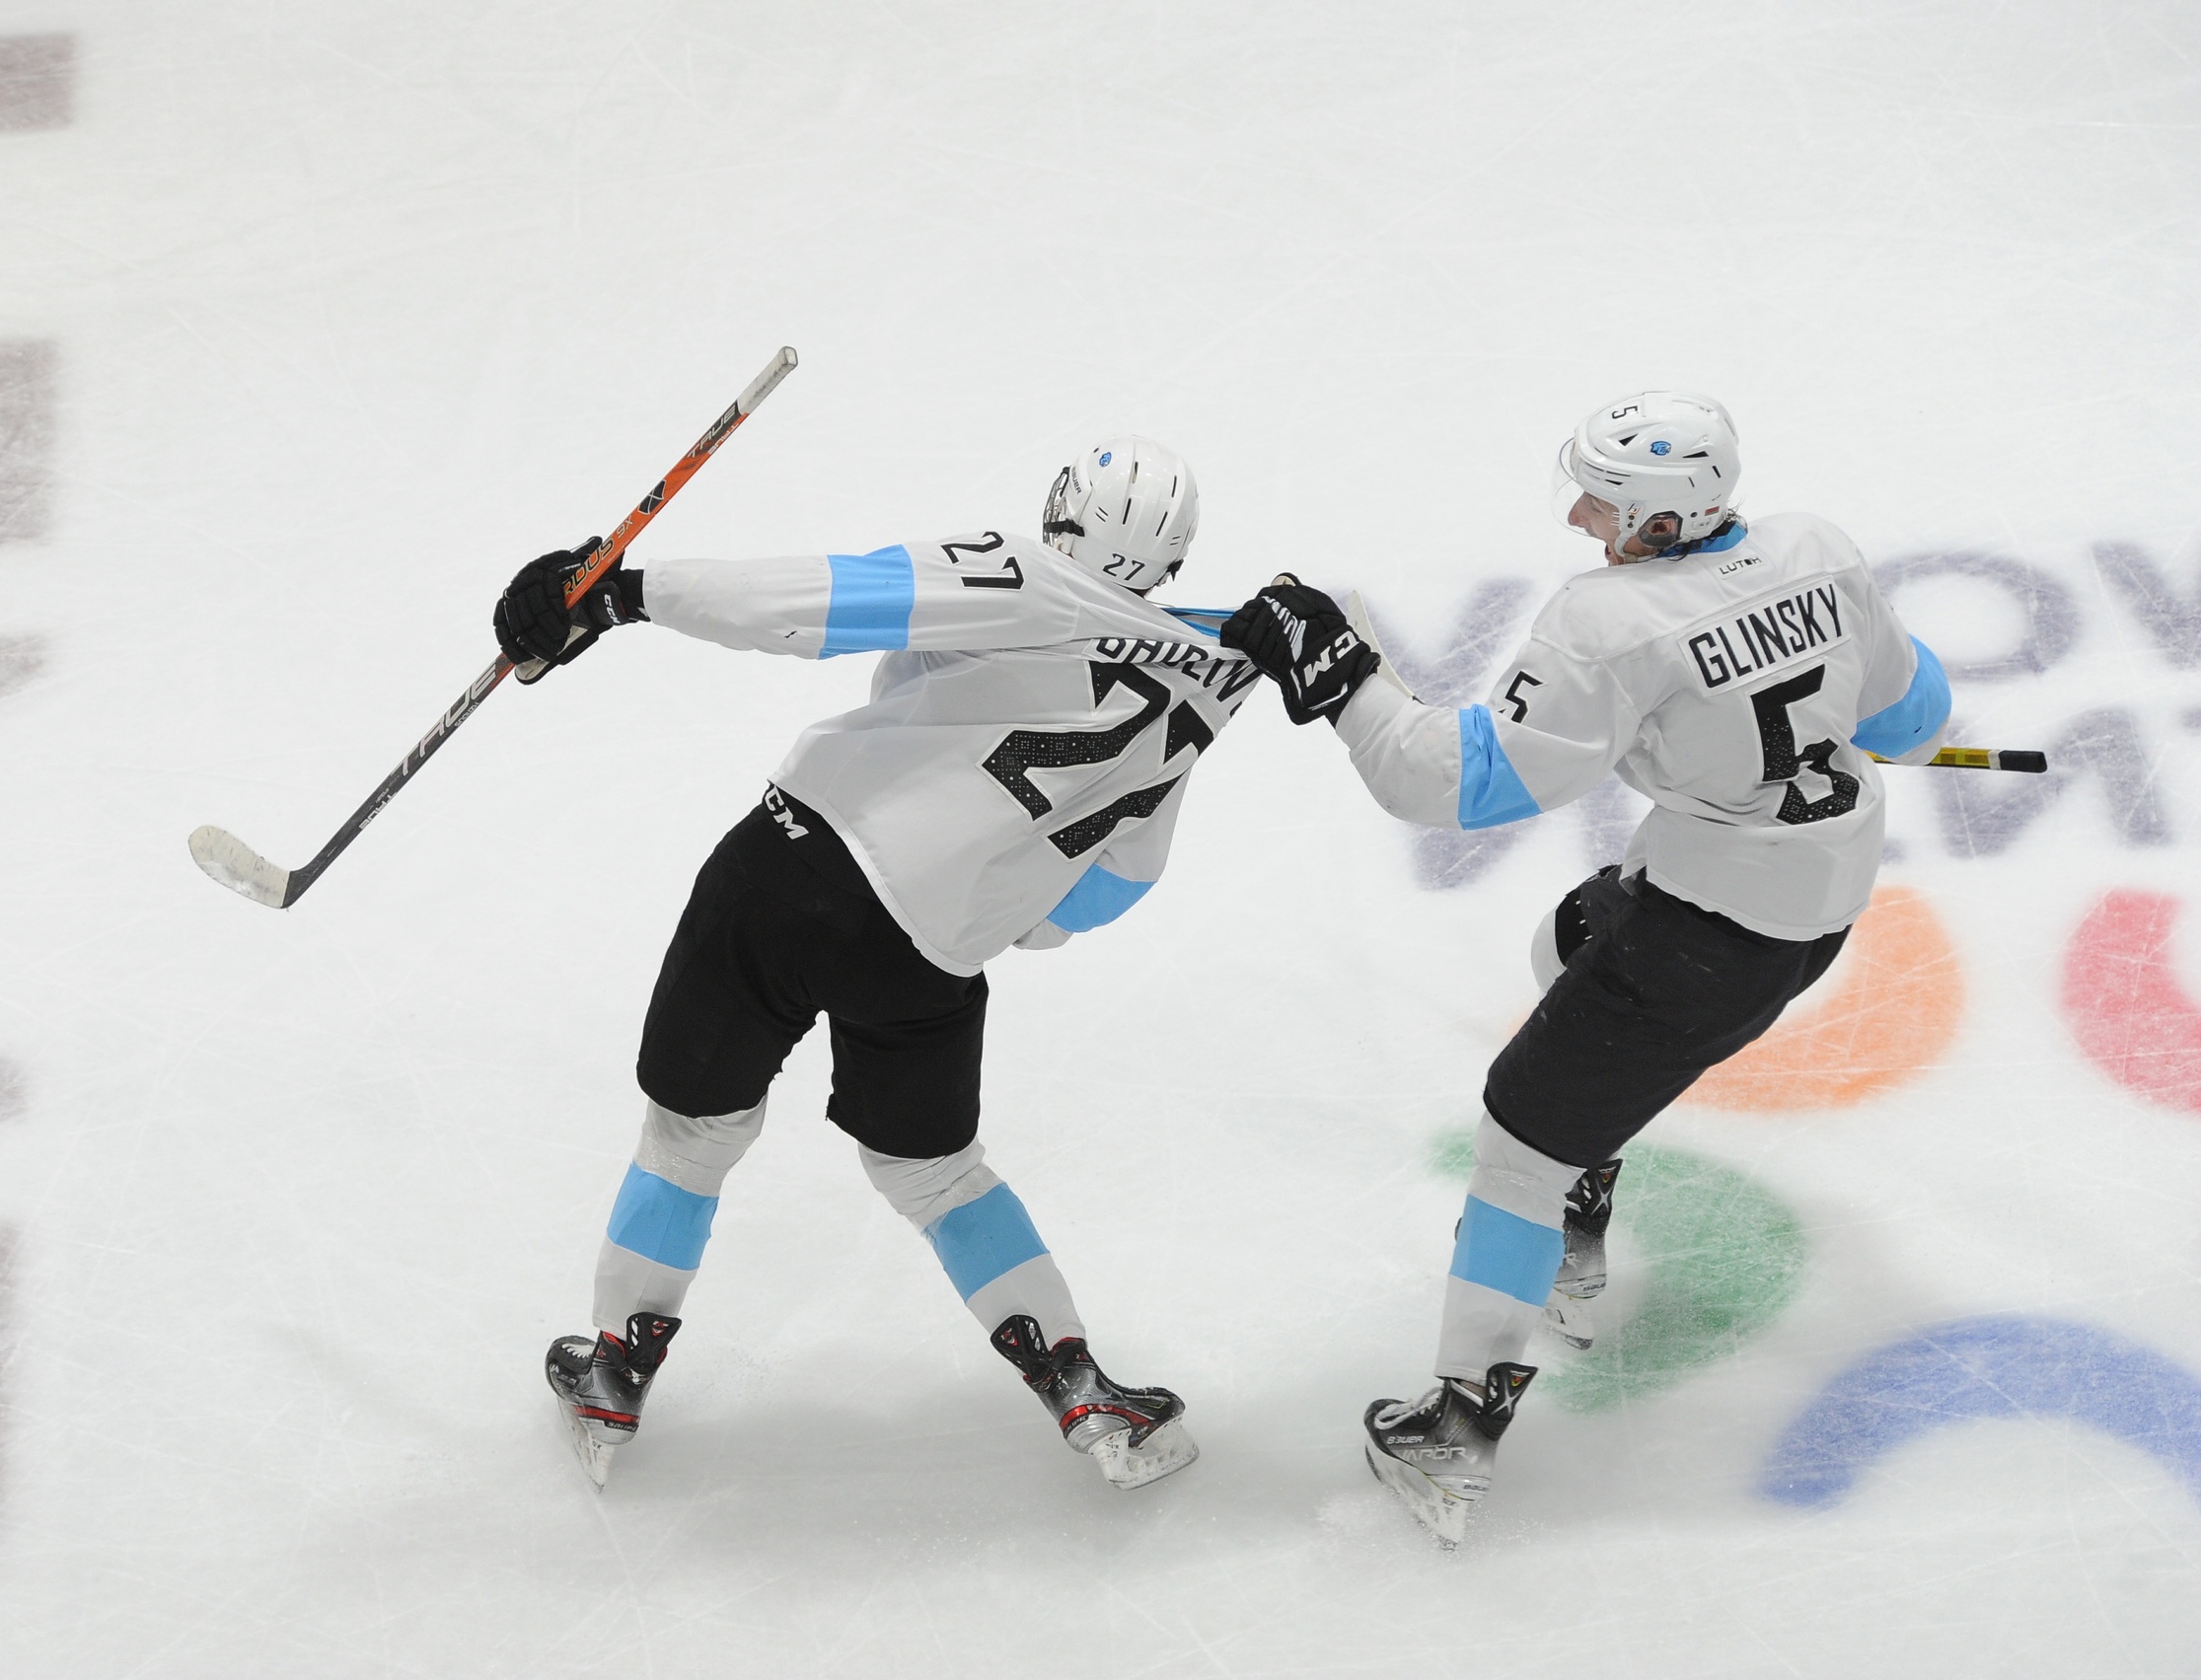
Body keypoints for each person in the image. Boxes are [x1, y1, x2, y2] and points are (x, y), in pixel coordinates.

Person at [1218, 392, 1951, 1545]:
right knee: (1568, 941)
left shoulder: (1607, 621)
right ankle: (1577, 1206)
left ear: (1661, 519)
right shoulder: (1817, 548)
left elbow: (1449, 784)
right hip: (1802, 912)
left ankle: (1457, 1427)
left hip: (1706, 941)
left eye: (1600, 502)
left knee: (1517, 1142)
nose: (1576, 516)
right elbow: (1913, 721)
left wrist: (1340, 671)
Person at [496, 436, 1260, 1491]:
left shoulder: (1028, 575)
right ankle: (1081, 1387)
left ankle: (615, 1368)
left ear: (1065, 510)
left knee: (692, 1130)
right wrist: (994, 901)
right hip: (926, 952)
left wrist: (622, 592)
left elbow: (817, 602)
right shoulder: (1198, 688)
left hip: (791, 867)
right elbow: (1119, 879)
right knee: (936, 1172)